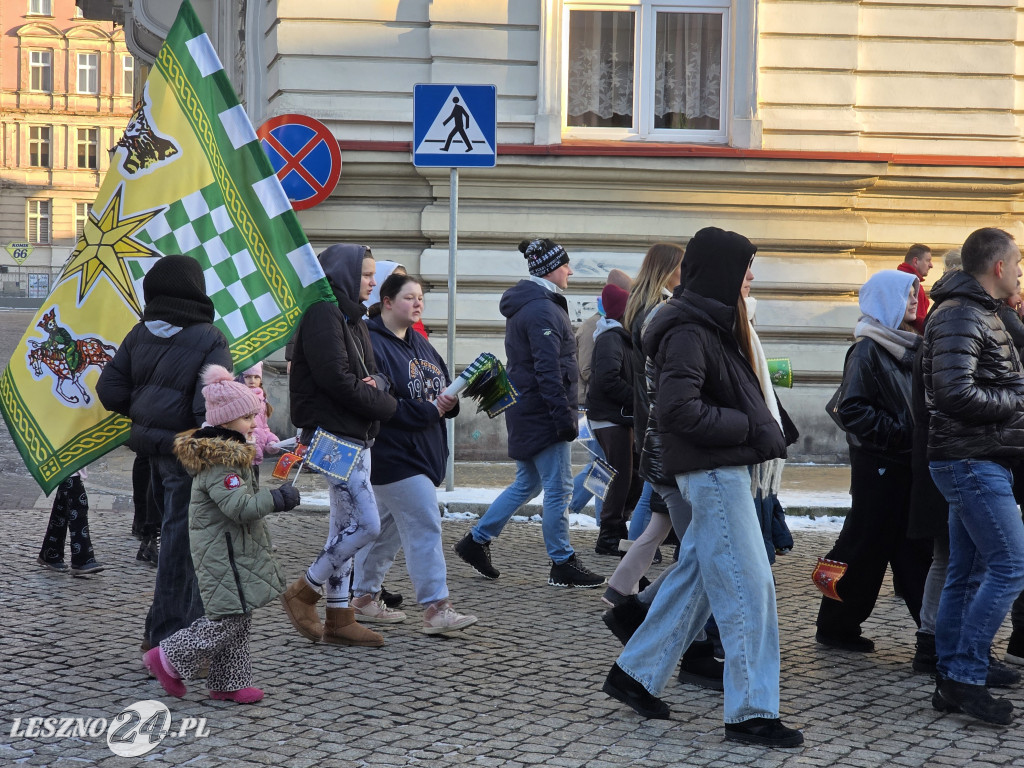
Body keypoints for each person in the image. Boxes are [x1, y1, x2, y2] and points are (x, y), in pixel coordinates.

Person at [601, 226, 803, 748]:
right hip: (712, 472)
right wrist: (750, 426)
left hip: (722, 468)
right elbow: (677, 412)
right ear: (722, 272)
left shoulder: (709, 324)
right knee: (747, 589)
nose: (751, 277)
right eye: (745, 267)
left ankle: (635, 674)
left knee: (698, 577)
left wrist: (758, 424)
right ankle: (751, 712)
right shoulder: (690, 329)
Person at [97, 254, 233, 652]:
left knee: (177, 534)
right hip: (187, 452)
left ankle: (158, 634)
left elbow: (109, 391)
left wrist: (146, 415)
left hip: (153, 451)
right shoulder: (209, 337)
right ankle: (171, 639)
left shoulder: (139, 333)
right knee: (183, 542)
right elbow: (210, 406)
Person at [143, 365, 300, 704]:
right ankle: (167, 656)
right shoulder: (221, 460)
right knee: (226, 620)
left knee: (239, 617)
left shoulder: (231, 453)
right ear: (227, 421)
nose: (252, 424)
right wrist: (276, 498)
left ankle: (230, 681)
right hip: (223, 554)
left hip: (234, 550)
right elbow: (238, 507)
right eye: (247, 418)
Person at [453, 238, 604, 588]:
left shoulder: (538, 305)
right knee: (558, 488)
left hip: (531, 408)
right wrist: (563, 419)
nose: (571, 270)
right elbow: (548, 370)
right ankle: (562, 562)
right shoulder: (542, 310)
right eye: (565, 264)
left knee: (529, 482)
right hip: (542, 412)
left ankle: (476, 540)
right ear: (551, 268)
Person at [923, 227, 1024, 725]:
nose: (1022, 271)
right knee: (1010, 563)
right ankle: (964, 676)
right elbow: (953, 393)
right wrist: (1019, 405)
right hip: (970, 459)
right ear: (999, 267)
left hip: (981, 457)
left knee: (970, 572)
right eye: (1018, 262)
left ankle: (953, 673)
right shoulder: (962, 312)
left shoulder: (983, 311)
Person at [281, 243, 398, 647]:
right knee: (367, 524)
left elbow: (376, 374)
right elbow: (338, 380)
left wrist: (380, 390)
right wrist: (385, 403)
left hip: (356, 434)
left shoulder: (353, 317)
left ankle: (339, 615)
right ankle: (304, 590)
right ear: (346, 275)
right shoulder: (323, 314)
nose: (373, 281)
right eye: (367, 274)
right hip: (332, 436)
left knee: (342, 527)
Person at [351, 272, 477, 634]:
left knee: (386, 529)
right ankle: (437, 607)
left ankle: (361, 597)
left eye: (420, 297)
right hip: (394, 453)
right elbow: (381, 403)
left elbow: (440, 388)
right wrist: (429, 410)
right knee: (425, 522)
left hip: (423, 452)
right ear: (387, 302)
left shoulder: (421, 343)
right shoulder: (372, 343)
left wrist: (449, 404)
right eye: (409, 297)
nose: (418, 303)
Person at [815, 270, 932, 652]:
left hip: (903, 465)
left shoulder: (907, 344)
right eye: (907, 294)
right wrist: (902, 433)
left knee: (912, 550)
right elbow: (853, 409)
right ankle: (834, 626)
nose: (915, 300)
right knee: (862, 549)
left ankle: (934, 634)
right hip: (879, 467)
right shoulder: (868, 348)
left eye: (916, 293)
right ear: (886, 301)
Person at [602, 243, 684, 604]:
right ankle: (635, 593)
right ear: (668, 269)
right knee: (671, 520)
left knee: (657, 514)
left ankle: (621, 587)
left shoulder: (647, 305)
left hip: (652, 422)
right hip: (659, 424)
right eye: (682, 266)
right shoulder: (656, 310)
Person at [569, 269, 633, 522]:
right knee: (602, 466)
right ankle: (592, 515)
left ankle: (582, 511)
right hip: (588, 408)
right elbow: (586, 370)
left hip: (596, 407)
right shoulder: (592, 327)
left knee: (602, 465)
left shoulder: (607, 324)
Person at [586, 283, 642, 555]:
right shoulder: (610, 338)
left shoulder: (621, 336)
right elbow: (608, 380)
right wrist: (639, 399)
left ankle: (617, 529)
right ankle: (609, 535)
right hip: (611, 418)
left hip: (621, 417)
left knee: (632, 475)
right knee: (620, 476)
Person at [37, 470, 104, 576]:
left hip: (70, 467)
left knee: (62, 508)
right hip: (70, 468)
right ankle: (82, 558)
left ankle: (50, 552)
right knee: (77, 506)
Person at [237, 361, 280, 473]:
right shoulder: (238, 398)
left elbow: (264, 427)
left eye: (256, 377)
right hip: (242, 453)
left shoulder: (263, 400)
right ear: (241, 378)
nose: (252, 381)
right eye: (248, 377)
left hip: (257, 455)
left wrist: (272, 441)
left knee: (255, 487)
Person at [897, 244, 933, 334]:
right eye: (928, 260)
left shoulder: (899, 279)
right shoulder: (913, 286)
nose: (931, 265)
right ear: (916, 261)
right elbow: (917, 320)